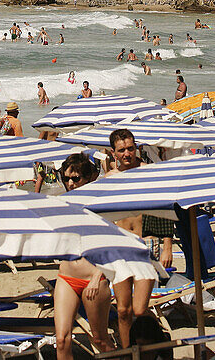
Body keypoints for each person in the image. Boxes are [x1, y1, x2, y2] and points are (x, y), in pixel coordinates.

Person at [54, 154, 115, 360]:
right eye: (66, 178)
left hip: (94, 278)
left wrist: (98, 277)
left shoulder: (99, 206)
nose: (70, 183)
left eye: (76, 178)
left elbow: (112, 245)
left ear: (89, 178)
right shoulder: (61, 204)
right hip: (66, 277)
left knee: (99, 339)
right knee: (62, 340)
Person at [106, 129, 163, 346]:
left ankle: (157, 339)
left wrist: (167, 244)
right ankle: (128, 351)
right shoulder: (110, 179)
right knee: (122, 310)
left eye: (131, 148)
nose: (127, 154)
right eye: (122, 150)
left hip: (144, 244)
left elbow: (163, 209)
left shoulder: (148, 172)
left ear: (136, 147)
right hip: (119, 246)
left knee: (139, 309)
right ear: (114, 153)